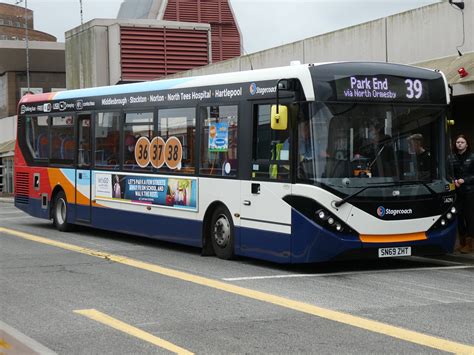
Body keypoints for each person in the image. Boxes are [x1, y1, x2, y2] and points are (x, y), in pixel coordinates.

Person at [449, 134, 474, 253]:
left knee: (469, 217)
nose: (459, 144)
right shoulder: (451, 158)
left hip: (469, 191)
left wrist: (464, 180)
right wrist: (453, 181)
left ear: (467, 144)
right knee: (458, 217)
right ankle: (462, 242)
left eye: (462, 142)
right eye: (458, 142)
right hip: (456, 191)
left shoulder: (472, 157)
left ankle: (470, 244)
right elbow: (449, 173)